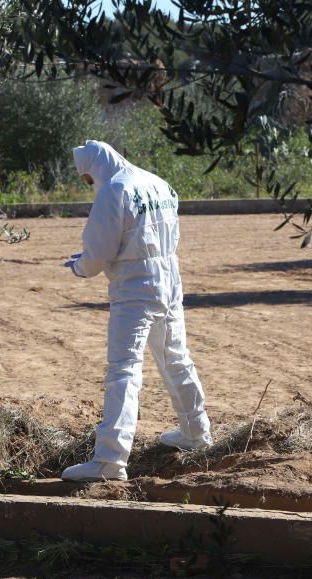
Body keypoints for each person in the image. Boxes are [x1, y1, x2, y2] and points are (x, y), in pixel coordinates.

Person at [61, 140, 212, 482]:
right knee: (175, 357)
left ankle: (110, 459)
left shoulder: (114, 190)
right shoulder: (157, 182)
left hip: (134, 286)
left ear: (94, 168)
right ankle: (196, 432)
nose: (89, 184)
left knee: (124, 369)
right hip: (169, 280)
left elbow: (98, 252)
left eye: (87, 178)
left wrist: (80, 267)